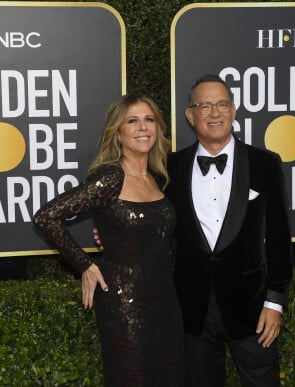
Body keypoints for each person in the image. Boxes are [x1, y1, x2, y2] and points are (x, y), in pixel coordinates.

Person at [33, 93, 185, 386]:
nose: (143, 128)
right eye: (133, 121)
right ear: (118, 132)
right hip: (124, 303)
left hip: (166, 302)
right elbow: (46, 216)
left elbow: (164, 242)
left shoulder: (158, 176)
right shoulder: (110, 178)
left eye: (149, 120)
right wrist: (85, 266)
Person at [165, 74, 294, 386]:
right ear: (190, 114)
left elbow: (280, 237)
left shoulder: (264, 163)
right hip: (192, 310)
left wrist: (275, 301)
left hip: (252, 308)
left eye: (222, 104)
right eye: (205, 105)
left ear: (234, 111)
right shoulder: (170, 167)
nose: (214, 113)